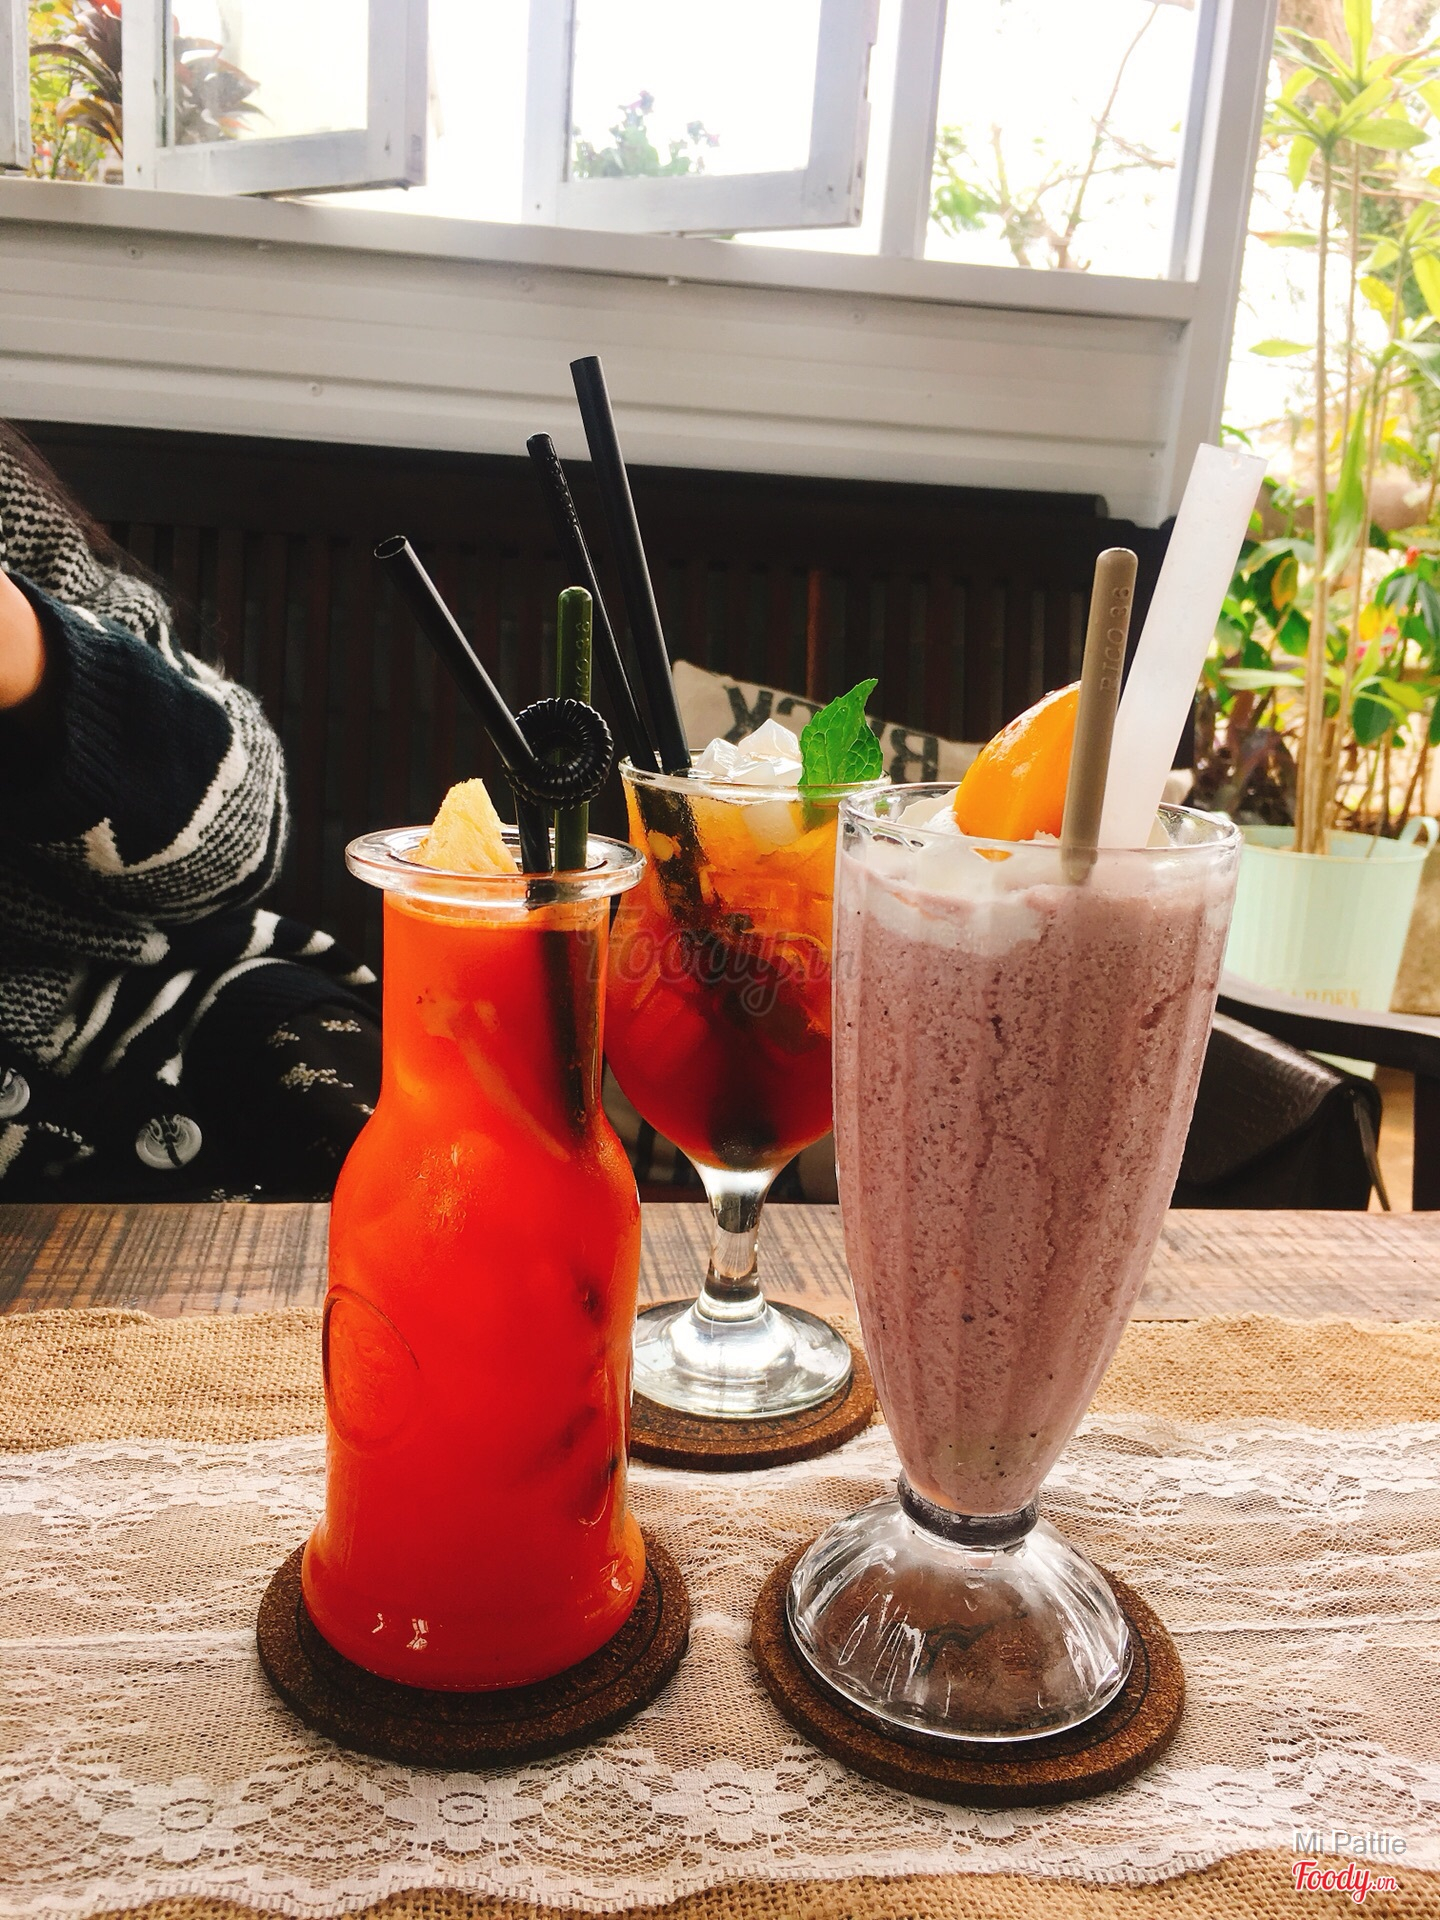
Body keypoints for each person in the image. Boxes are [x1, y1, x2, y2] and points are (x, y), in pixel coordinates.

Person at [0, 424, 380, 1201]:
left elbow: (240, 837)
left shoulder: (20, 523)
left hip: (139, 995)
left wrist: (39, 666)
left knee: (353, 1111)